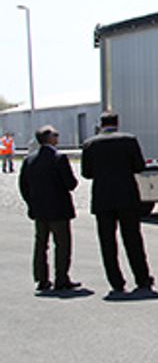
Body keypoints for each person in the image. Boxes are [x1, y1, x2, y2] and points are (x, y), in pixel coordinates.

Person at [81, 111, 155, 295]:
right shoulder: (129, 140)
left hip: (103, 198)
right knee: (133, 240)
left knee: (107, 242)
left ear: (101, 124)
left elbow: (87, 173)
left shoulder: (90, 144)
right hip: (126, 195)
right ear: (117, 123)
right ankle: (142, 278)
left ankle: (116, 281)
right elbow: (139, 166)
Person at [19, 125, 81, 292]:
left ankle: (42, 278)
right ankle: (61, 278)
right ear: (49, 139)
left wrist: (31, 203)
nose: (58, 137)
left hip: (39, 210)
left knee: (41, 245)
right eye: (56, 135)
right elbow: (71, 184)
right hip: (59, 210)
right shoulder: (59, 158)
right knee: (62, 245)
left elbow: (23, 186)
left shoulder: (29, 160)